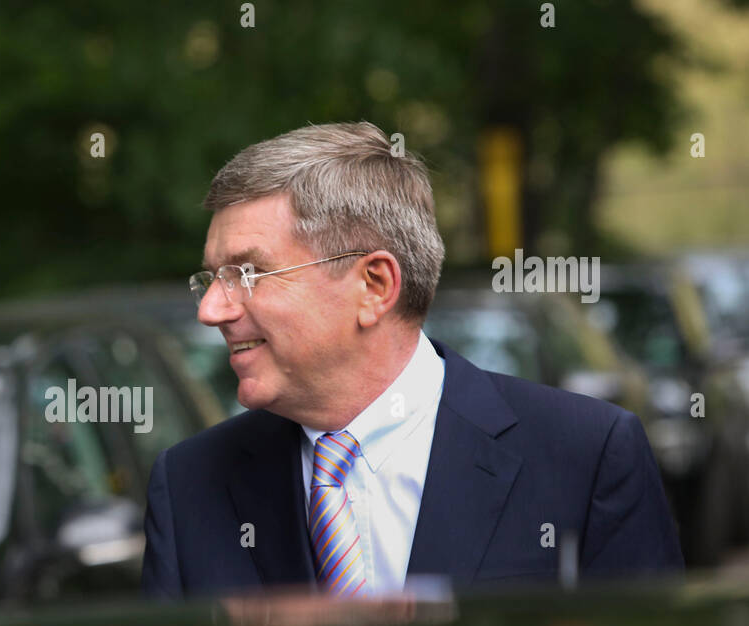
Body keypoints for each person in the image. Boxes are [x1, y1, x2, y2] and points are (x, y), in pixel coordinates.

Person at [141, 122, 683, 598]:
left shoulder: (585, 456)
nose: (212, 309)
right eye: (210, 279)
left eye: (247, 273)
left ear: (374, 285)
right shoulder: (192, 484)